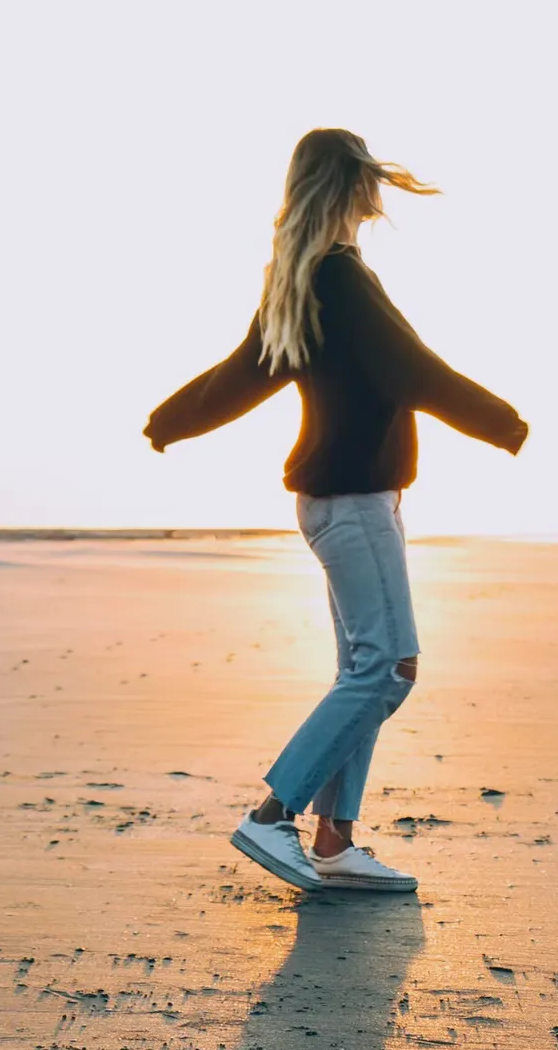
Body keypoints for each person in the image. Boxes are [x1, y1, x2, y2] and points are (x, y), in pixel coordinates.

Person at [144, 128, 528, 892]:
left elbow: (235, 377)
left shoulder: (300, 281)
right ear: (356, 189)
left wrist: (168, 421)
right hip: (353, 502)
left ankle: (334, 843)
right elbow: (413, 370)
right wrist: (503, 424)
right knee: (388, 667)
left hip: (336, 501)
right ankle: (273, 814)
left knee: (364, 669)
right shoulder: (342, 280)